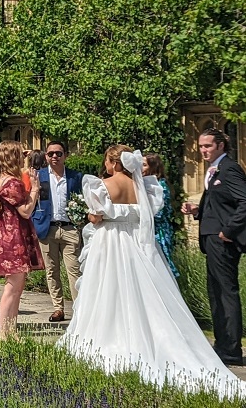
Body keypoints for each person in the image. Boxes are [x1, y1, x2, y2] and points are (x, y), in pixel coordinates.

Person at [64, 145, 246, 398]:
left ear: (114, 163)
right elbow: (147, 216)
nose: (105, 166)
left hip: (110, 245)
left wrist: (84, 213)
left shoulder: (102, 185)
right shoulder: (145, 187)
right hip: (137, 245)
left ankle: (110, 339)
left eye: (107, 161)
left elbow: (96, 218)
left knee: (108, 292)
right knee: (145, 295)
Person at [182, 128, 246, 367]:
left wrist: (228, 231)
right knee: (215, 293)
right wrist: (197, 211)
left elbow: (244, 202)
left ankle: (231, 349)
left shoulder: (229, 169)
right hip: (210, 237)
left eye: (207, 146)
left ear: (221, 145)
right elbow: (222, 204)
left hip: (223, 241)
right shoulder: (213, 171)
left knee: (226, 293)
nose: (203, 151)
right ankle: (221, 344)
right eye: (200, 146)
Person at [0, 141, 43, 339]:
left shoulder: (1, 179)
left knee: (16, 286)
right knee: (13, 286)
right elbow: (26, 211)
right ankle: (5, 332)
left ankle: (11, 330)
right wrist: (35, 189)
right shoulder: (12, 183)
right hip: (14, 237)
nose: (24, 157)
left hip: (8, 235)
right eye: (21, 154)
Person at [31, 140, 84, 323]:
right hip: (48, 228)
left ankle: (79, 308)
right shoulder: (39, 176)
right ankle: (58, 308)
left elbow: (82, 201)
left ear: (65, 156)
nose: (55, 156)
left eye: (58, 153)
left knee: (74, 270)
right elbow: (31, 200)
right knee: (52, 271)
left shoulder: (75, 177)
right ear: (46, 156)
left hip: (69, 228)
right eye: (51, 153)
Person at [143, 152, 179, 277]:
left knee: (162, 264)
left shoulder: (160, 185)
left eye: (144, 165)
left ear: (153, 167)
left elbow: (159, 212)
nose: (140, 168)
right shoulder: (144, 183)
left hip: (160, 231)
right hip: (150, 229)